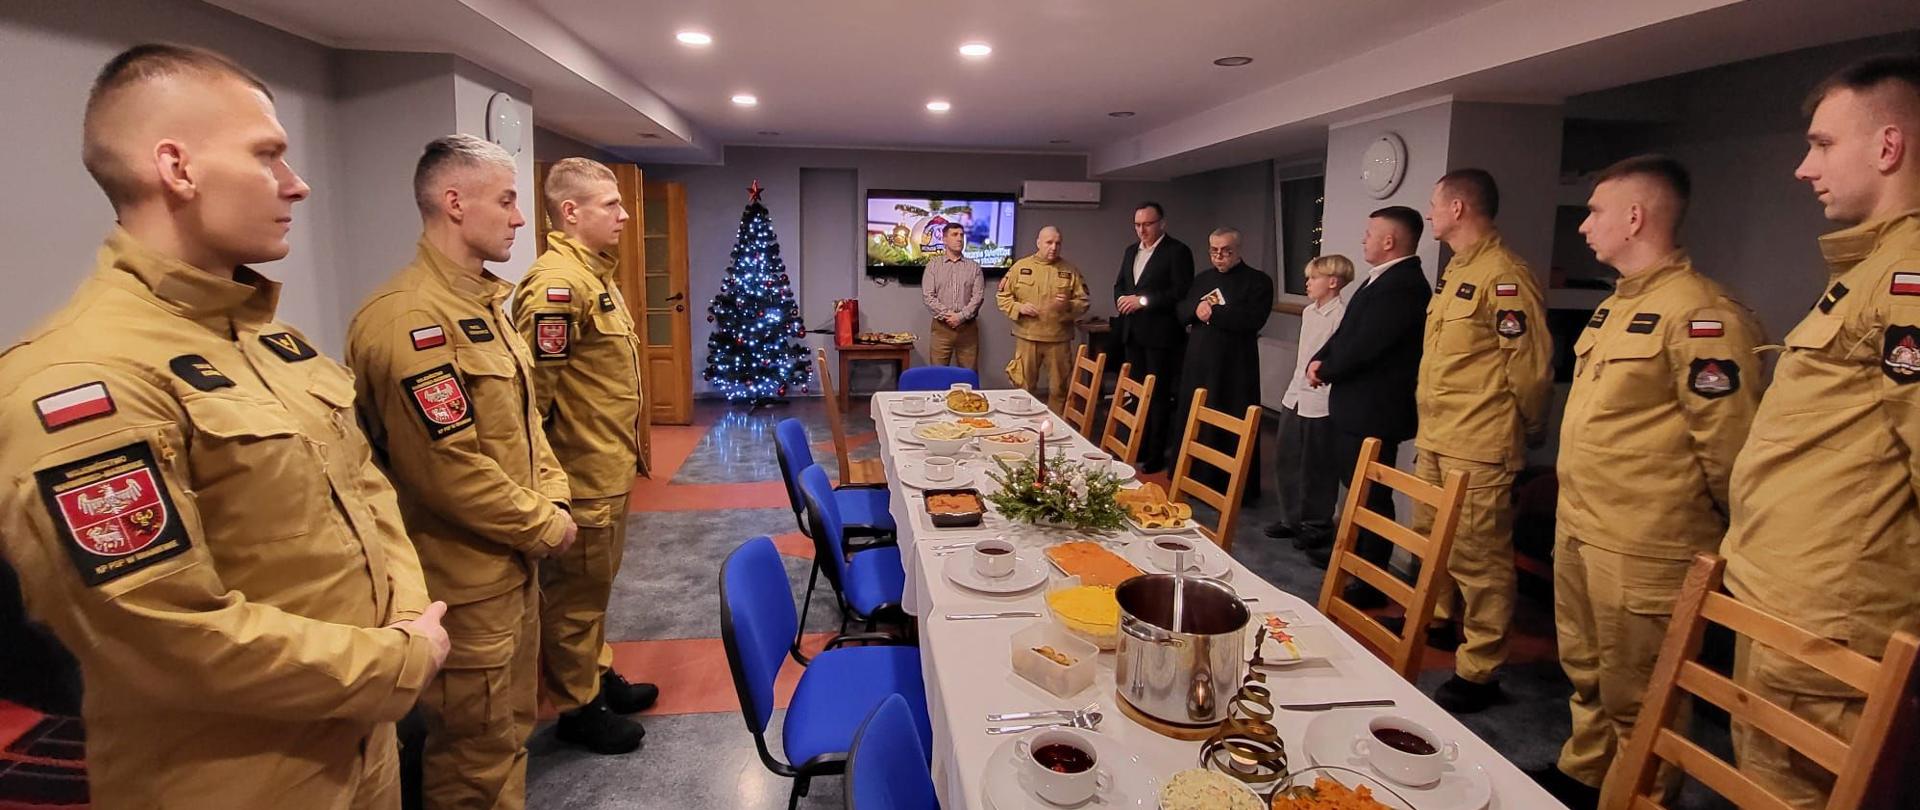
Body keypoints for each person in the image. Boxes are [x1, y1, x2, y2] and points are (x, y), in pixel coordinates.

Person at [0, 44, 449, 808]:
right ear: (177, 168)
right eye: (268, 155)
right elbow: (161, 634)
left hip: (360, 743)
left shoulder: (268, 340)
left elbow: (367, 487)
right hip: (237, 777)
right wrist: (393, 659)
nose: (296, 184)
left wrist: (405, 624)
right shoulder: (81, 381)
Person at [347, 134, 578, 810]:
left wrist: (556, 496)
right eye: (506, 200)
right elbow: (446, 470)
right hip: (463, 580)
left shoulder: (481, 306)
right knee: (472, 755)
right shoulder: (410, 320)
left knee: (506, 731)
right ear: (454, 202)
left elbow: (527, 422)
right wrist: (546, 525)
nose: (517, 217)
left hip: (508, 567)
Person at [1719, 54, 1920, 810]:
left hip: (1835, 615)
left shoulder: (1910, 277)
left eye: (1823, 145)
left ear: (1888, 147)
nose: (1805, 168)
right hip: (1785, 594)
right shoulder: (1869, 272)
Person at [1536, 155, 1765, 810]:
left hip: (1648, 542)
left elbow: (1730, 446)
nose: (1584, 228)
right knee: (1587, 671)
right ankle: (1587, 770)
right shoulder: (1618, 307)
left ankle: (1640, 795)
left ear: (1635, 218)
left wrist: (1724, 542)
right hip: (1583, 524)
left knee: (1644, 694)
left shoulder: (1703, 316)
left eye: (1595, 213)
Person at [509, 158, 653, 756]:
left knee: (594, 589)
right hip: (581, 473)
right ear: (571, 212)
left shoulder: (593, 276)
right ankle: (577, 706)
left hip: (607, 465)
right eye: (610, 206)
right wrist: (551, 490)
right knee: (573, 599)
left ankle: (594, 674)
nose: (623, 215)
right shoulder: (556, 287)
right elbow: (530, 403)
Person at [1414, 169, 1553, 714]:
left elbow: (1532, 369)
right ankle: (1446, 621)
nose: (1430, 214)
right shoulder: (1457, 273)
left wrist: (1526, 430)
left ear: (1458, 208)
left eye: (1433, 204)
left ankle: (1481, 666)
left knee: (1480, 555)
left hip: (1479, 440)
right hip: (1440, 433)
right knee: (1432, 538)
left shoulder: (1505, 276)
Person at [1292, 207, 1429, 575]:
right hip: (1355, 406)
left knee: (1371, 494)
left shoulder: (1404, 284)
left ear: (1389, 240)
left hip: (1375, 409)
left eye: (1369, 233)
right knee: (1354, 488)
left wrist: (1329, 369)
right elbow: (1346, 334)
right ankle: (1348, 551)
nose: (1363, 239)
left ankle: (1367, 571)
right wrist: (1320, 358)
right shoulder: (1378, 279)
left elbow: (1369, 344)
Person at [1175, 228, 1274, 500]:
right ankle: (1191, 477)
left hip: (1234, 367)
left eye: (1226, 250)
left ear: (1238, 249)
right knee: (1194, 417)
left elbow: (1252, 318)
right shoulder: (1202, 279)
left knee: (1228, 423)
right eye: (1214, 250)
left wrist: (1213, 312)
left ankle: (1226, 487)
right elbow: (1181, 310)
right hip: (1198, 362)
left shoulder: (1258, 281)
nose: (1220, 256)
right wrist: (1195, 310)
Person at [1267, 255, 1352, 544]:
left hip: (1321, 400)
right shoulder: (1309, 312)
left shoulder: (1341, 315)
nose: (1308, 283)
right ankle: (1290, 518)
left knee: (1317, 466)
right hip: (1296, 393)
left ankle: (1316, 525)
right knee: (1286, 457)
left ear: (1332, 281)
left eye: (1313, 278)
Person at [1113, 202, 1197, 472]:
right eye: (1137, 225)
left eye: (1147, 224)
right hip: (1133, 333)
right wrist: (1123, 300)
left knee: (1158, 396)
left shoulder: (1177, 251)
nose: (1142, 230)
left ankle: (1156, 453)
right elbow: (1120, 284)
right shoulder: (1130, 251)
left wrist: (1143, 301)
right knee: (1136, 394)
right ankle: (1137, 445)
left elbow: (1180, 292)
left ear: (1162, 223)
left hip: (1161, 336)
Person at [997, 225, 1089, 412]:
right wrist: (1019, 307)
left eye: (1057, 243)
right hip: (1028, 337)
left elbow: (1084, 301)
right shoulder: (1021, 267)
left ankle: (1055, 429)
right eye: (1049, 242)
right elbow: (1002, 296)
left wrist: (1067, 306)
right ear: (1038, 243)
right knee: (1024, 388)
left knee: (1059, 389)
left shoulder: (1070, 270)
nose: (1053, 247)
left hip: (1058, 339)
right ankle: (1023, 428)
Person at [922, 222, 984, 369]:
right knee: (937, 375)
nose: (959, 239)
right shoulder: (933, 266)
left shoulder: (974, 267)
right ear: (944, 239)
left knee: (969, 375)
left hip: (968, 330)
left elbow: (978, 297)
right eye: (954, 235)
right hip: (942, 329)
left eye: (962, 235)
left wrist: (960, 317)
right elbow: (928, 296)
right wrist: (949, 315)